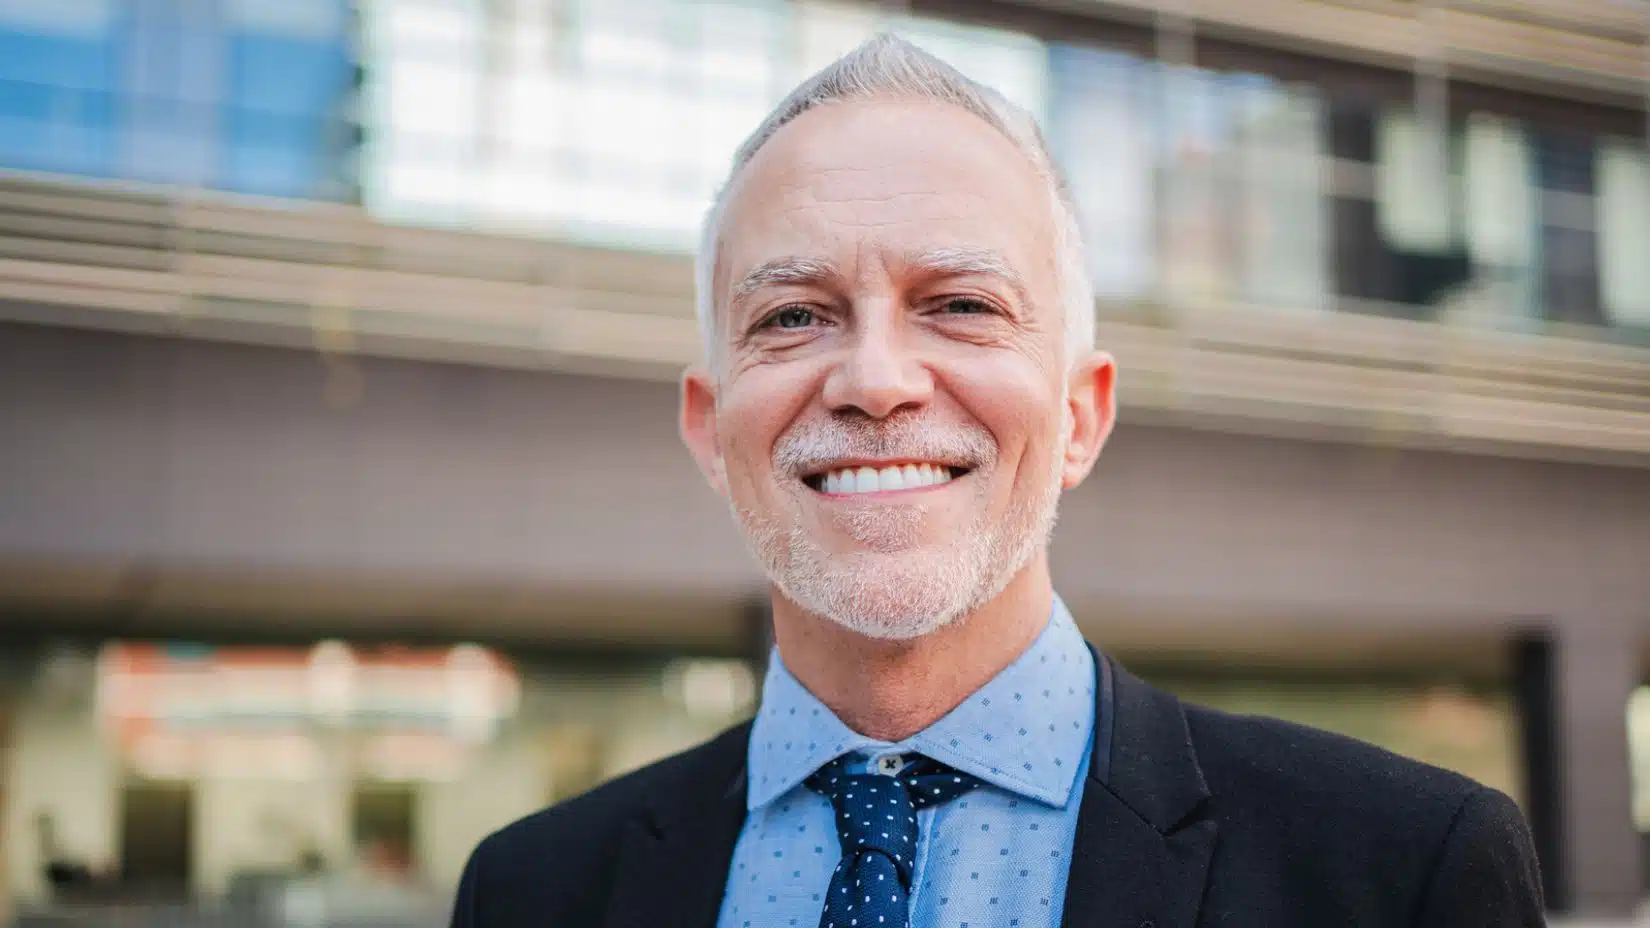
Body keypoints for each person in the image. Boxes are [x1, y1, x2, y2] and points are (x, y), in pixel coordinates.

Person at [450, 35, 1543, 928]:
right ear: (708, 430)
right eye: (793, 316)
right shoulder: (534, 891)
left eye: (961, 305)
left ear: (1080, 415)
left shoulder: (1398, 871)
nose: (875, 380)